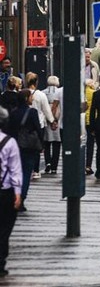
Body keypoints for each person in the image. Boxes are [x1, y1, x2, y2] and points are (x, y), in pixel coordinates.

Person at [7, 91, 40, 211]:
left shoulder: (13, 112)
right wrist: (40, 144)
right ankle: (21, 199)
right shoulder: (32, 112)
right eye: (31, 96)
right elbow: (38, 128)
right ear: (26, 98)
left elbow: (9, 129)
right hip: (29, 147)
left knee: (15, 172)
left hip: (15, 146)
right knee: (26, 173)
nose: (33, 98)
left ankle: (13, 197)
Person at [0, 105, 22, 277]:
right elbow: (15, 170)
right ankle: (1, 262)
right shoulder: (10, 143)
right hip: (5, 191)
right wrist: (17, 193)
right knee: (5, 228)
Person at [41, 76, 62, 175]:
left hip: (47, 118)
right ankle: (54, 166)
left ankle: (47, 162)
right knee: (57, 144)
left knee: (47, 143)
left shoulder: (43, 92)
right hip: (58, 118)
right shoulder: (59, 92)